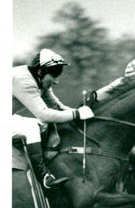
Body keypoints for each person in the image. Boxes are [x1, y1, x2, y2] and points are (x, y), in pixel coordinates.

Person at [12, 49, 94, 189]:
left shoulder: (39, 78)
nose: (56, 81)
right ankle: (44, 177)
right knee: (32, 127)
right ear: (40, 72)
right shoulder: (23, 80)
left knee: (41, 125)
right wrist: (77, 114)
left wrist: (79, 112)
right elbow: (44, 114)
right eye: (54, 75)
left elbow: (55, 106)